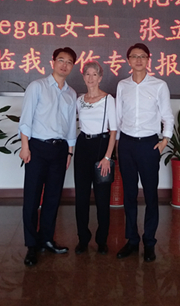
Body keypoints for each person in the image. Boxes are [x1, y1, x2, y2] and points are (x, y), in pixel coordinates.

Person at [18, 47, 77, 267]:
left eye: (69, 62)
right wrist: (25, 146)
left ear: (72, 66)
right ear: (52, 62)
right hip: (37, 148)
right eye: (61, 60)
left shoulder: (71, 93)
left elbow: (71, 126)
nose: (64, 65)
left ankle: (47, 240)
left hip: (60, 150)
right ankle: (31, 245)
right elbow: (26, 118)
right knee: (32, 198)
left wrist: (69, 151)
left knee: (53, 198)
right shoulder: (37, 86)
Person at [115, 43, 173, 262]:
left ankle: (149, 242)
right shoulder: (122, 85)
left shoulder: (159, 85)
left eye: (142, 56)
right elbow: (118, 116)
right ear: (128, 60)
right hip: (127, 143)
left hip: (149, 145)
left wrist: (165, 140)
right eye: (134, 56)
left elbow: (167, 115)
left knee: (150, 194)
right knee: (129, 194)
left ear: (148, 59)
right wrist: (118, 144)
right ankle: (132, 240)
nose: (138, 60)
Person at [74, 61, 117, 255]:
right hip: (83, 146)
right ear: (83, 77)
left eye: (94, 74)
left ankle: (102, 240)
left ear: (100, 78)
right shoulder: (79, 100)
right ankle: (83, 238)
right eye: (87, 74)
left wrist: (107, 157)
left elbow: (114, 130)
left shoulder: (108, 100)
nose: (90, 78)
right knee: (81, 197)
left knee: (102, 198)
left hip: (101, 147)